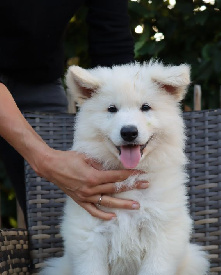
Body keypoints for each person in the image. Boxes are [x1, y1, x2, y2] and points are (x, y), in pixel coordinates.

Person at [0, 0, 148, 221]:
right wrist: (46, 159)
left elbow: (112, 44)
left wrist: (128, 110)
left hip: (38, 82)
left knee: (62, 213)